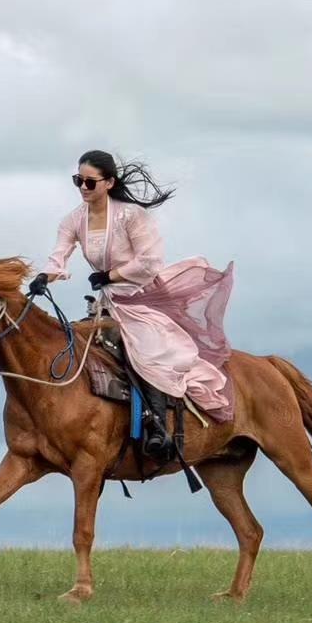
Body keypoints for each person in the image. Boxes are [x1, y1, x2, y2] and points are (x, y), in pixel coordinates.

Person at [28, 150, 235, 455]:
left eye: (89, 182)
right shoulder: (73, 220)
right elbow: (59, 256)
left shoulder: (132, 216)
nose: (83, 187)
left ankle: (157, 427)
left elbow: (150, 261)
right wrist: (44, 277)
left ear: (109, 183)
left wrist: (111, 274)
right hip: (109, 302)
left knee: (144, 352)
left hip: (144, 298)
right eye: (78, 181)